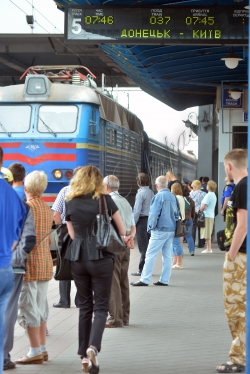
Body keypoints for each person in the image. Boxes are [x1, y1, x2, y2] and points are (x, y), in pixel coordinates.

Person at [65, 165, 128, 373]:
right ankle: (93, 347)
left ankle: (84, 356)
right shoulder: (104, 200)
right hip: (101, 257)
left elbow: (72, 234)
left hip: (78, 258)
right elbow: (122, 229)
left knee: (85, 306)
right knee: (101, 307)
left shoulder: (70, 202)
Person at [15, 171, 53, 365]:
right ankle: (43, 348)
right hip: (45, 263)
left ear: (26, 188)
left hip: (30, 265)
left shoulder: (26, 208)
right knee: (40, 307)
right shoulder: (47, 208)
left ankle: (34, 351)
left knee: (28, 308)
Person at [216, 149, 247, 374]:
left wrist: (231, 255)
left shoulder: (242, 186)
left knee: (235, 308)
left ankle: (239, 360)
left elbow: (243, 225)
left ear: (229, 166)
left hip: (241, 257)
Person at [0, 147, 26, 373]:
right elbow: (19, 237)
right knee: (6, 313)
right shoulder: (15, 197)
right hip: (5, 266)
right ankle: (4, 358)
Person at [3, 203, 36, 371]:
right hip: (12, 268)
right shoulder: (22, 206)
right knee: (8, 310)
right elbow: (30, 238)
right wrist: (18, 257)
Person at [131, 175, 178, 287]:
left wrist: (150, 227)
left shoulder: (158, 197)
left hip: (159, 230)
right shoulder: (173, 197)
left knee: (150, 254)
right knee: (167, 256)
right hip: (171, 229)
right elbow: (177, 214)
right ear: (166, 185)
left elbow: (153, 215)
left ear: (157, 186)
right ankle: (164, 280)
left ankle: (145, 279)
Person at [103, 175, 136, 328]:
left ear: (106, 187)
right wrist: (129, 238)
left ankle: (115, 318)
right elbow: (132, 224)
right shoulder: (125, 202)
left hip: (114, 244)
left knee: (113, 281)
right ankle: (125, 316)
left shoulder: (109, 201)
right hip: (125, 244)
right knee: (123, 280)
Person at [52, 167, 82, 309]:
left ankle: (64, 300)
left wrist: (60, 227)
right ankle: (79, 300)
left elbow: (56, 214)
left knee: (63, 264)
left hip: (64, 232)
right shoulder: (89, 192)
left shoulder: (65, 190)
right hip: (82, 233)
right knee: (80, 264)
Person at [131, 173, 154, 276]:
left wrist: (133, 223)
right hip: (150, 220)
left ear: (139, 182)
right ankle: (148, 268)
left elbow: (136, 210)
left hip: (142, 221)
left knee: (143, 246)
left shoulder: (140, 194)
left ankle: (141, 270)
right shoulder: (151, 192)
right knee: (149, 245)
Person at [199, 180, 217, 253]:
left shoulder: (208, 195)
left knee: (206, 231)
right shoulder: (213, 195)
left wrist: (199, 210)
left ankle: (209, 248)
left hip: (206, 215)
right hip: (211, 215)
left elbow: (204, 206)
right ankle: (208, 248)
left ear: (209, 186)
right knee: (208, 231)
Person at [171, 182, 185, 269]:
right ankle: (175, 261)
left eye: (172, 188)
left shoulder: (175, 198)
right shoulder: (181, 198)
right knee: (175, 242)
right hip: (181, 220)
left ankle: (179, 263)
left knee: (176, 243)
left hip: (176, 221)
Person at [190, 180, 206, 248]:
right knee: (201, 227)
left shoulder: (191, 194)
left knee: (193, 228)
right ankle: (201, 244)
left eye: (193, 186)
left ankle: (192, 243)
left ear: (195, 187)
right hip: (200, 211)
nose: (192, 188)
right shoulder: (204, 194)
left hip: (193, 212)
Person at [182, 185, 195, 256]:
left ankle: (180, 253)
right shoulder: (191, 200)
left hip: (182, 219)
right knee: (189, 236)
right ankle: (191, 251)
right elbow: (193, 212)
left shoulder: (180, 199)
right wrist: (192, 218)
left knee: (180, 236)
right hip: (189, 219)